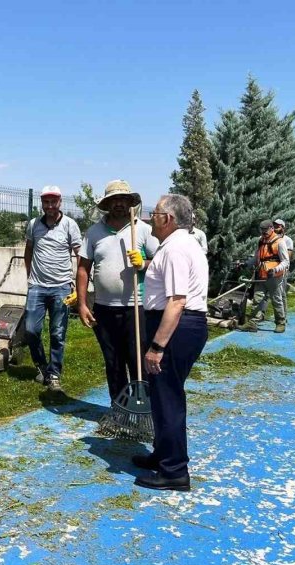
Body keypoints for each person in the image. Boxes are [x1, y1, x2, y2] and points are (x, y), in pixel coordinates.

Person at [133, 194, 209, 491]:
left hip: (176, 327)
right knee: (162, 396)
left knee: (168, 399)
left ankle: (174, 470)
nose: (150, 217)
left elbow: (177, 301)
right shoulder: (178, 245)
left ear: (168, 219)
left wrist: (157, 347)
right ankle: (163, 454)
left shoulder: (176, 248)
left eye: (155, 213)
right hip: (178, 326)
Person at [76, 179, 159, 402]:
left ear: (130, 203)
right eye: (114, 200)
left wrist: (143, 263)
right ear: (107, 204)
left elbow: (162, 262)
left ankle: (144, 407)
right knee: (113, 362)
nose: (119, 203)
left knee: (138, 361)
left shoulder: (143, 230)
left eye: (123, 199)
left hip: (136, 307)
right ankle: (120, 409)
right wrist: (82, 304)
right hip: (104, 309)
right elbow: (83, 269)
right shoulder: (94, 232)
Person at [23, 185, 82, 392]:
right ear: (42, 203)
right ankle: (41, 366)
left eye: (53, 202)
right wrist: (30, 277)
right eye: (46, 202)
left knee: (58, 333)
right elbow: (28, 251)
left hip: (61, 288)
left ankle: (54, 374)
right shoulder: (33, 225)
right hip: (37, 287)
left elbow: (80, 255)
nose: (49, 206)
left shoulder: (70, 225)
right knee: (31, 330)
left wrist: (78, 286)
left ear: (60, 202)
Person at [249, 219, 289, 333]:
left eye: (265, 230)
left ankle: (280, 323)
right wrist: (247, 264)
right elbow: (257, 256)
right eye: (262, 230)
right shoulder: (261, 240)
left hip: (274, 276)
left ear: (272, 228)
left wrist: (275, 269)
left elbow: (286, 261)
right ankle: (252, 323)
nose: (263, 232)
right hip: (261, 274)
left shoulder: (280, 242)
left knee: (276, 300)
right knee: (257, 299)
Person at [273, 218, 294, 316]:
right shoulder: (269, 239)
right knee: (265, 294)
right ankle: (260, 316)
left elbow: (288, 256)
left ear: (283, 227)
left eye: (278, 226)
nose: (275, 227)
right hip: (269, 269)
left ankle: (283, 314)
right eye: (274, 225)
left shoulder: (287, 240)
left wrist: (282, 266)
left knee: (281, 293)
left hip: (282, 270)